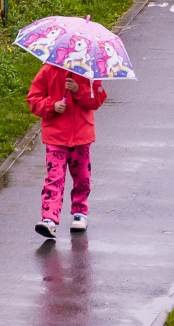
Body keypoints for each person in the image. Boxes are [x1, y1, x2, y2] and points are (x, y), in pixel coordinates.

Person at [27, 64, 107, 238]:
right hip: (56, 136)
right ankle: (49, 218)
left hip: (81, 136)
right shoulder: (49, 71)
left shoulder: (89, 73)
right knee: (54, 178)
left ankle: (80, 213)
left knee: (82, 178)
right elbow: (33, 98)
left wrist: (79, 89)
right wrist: (52, 105)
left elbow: (96, 100)